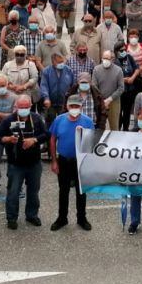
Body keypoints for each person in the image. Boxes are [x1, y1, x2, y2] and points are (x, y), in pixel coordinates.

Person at [0, 95, 47, 230]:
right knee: (13, 192)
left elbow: (46, 135)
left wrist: (34, 140)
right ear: (16, 107)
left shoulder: (36, 118)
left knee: (33, 191)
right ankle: (11, 218)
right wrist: (8, 139)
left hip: (34, 163)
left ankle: (32, 215)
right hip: (15, 164)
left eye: (26, 107)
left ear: (30, 106)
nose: (23, 109)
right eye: (21, 107)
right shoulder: (8, 120)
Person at [49, 96, 94, 232]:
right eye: (71, 106)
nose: (74, 109)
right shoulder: (59, 120)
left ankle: (82, 218)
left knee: (81, 192)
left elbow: (91, 143)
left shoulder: (87, 121)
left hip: (80, 161)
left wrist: (83, 134)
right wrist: (54, 161)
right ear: (67, 106)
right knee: (63, 191)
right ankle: (62, 218)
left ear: (81, 107)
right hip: (63, 160)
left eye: (77, 106)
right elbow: (52, 139)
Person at [92, 50, 126, 130]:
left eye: (107, 58)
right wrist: (101, 100)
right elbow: (94, 86)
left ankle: (114, 142)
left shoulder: (118, 70)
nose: (105, 60)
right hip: (100, 102)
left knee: (114, 126)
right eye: (104, 58)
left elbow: (121, 88)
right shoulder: (96, 69)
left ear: (112, 59)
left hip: (114, 102)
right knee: (99, 126)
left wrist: (110, 99)